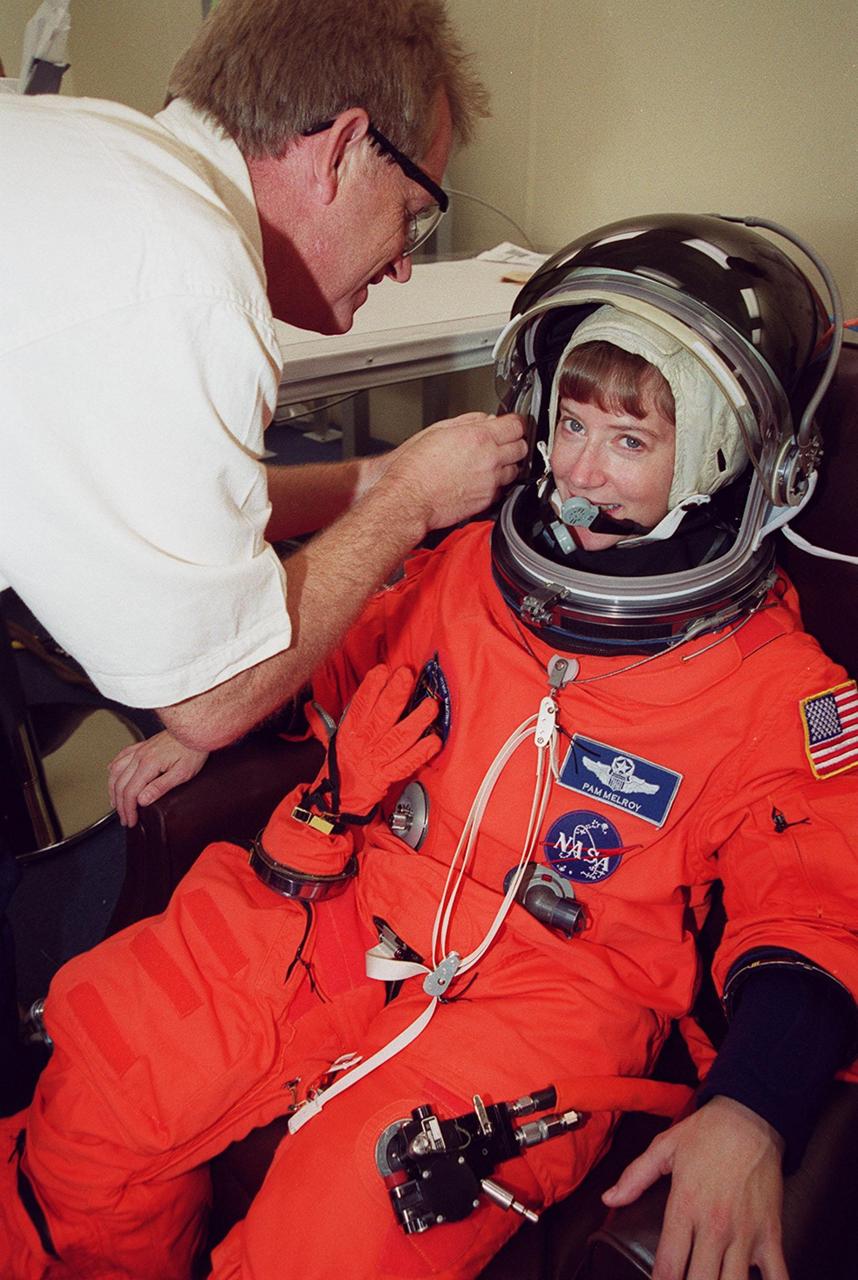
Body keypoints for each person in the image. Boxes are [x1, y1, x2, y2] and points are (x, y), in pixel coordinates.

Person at [2, 214, 856, 1280]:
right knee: (103, 1084)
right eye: (571, 422)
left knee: (335, 1227)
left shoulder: (776, 690)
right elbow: (348, 656)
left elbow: (818, 906)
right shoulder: (470, 571)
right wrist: (239, 719)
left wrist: (754, 1105)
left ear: (728, 458)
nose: (581, 470)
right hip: (356, 902)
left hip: (556, 999)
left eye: (631, 442)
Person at [0, 0, 525, 1110]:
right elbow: (215, 695)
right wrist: (413, 500)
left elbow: (164, 495)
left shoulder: (106, 164)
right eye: (414, 216)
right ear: (342, 149)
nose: (398, 270)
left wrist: (365, 483)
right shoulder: (186, 276)